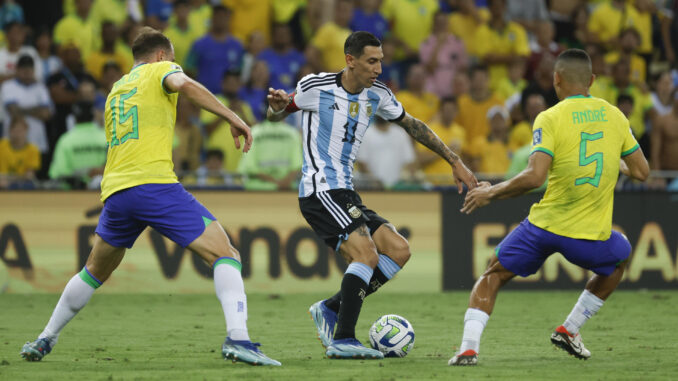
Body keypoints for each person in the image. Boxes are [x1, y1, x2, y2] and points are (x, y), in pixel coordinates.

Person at [20, 27, 280, 366]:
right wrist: (234, 117)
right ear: (161, 56)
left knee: (93, 271)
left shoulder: (117, 88)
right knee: (226, 254)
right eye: (173, 61)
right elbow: (184, 85)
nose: (175, 67)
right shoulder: (162, 70)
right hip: (153, 185)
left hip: (116, 192)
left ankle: (45, 338)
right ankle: (239, 339)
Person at [267, 31, 477, 359]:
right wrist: (277, 108)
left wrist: (455, 160)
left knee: (398, 250)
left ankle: (331, 307)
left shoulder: (377, 94)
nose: (378, 68)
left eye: (381, 61)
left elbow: (412, 125)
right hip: (321, 189)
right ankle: (343, 339)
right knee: (366, 254)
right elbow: (278, 111)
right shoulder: (315, 86)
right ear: (350, 61)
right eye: (371, 61)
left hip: (346, 191)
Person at [448, 49, 649, 366]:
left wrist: (491, 193)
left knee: (492, 274)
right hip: (589, 237)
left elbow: (534, 177)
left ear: (556, 79)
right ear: (592, 81)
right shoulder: (616, 116)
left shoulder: (550, 117)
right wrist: (617, 165)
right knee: (620, 256)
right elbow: (642, 171)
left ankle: (468, 349)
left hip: (544, 227)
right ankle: (570, 328)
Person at [48, 80, 107, 188]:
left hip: (72, 197)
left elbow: (57, 173)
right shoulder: (106, 138)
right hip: (104, 195)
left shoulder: (65, 140)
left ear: (75, 118)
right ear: (93, 116)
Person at [237, 119, 302, 191]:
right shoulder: (292, 133)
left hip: (257, 189)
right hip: (286, 189)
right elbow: (298, 164)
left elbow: (249, 167)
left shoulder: (253, 132)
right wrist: (284, 183)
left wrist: (276, 183)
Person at [355, 116, 417, 188]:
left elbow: (409, 160)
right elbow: (362, 163)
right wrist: (375, 183)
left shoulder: (401, 133)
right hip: (372, 188)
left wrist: (401, 182)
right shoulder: (366, 133)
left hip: (397, 187)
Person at [0, 117, 40, 189]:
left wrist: (9, 179)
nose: (17, 134)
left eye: (20, 131)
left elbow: (29, 175)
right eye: (15, 131)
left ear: (26, 131)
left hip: (22, 183)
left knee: (29, 185)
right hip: (2, 182)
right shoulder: (1, 146)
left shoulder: (33, 149)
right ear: (10, 131)